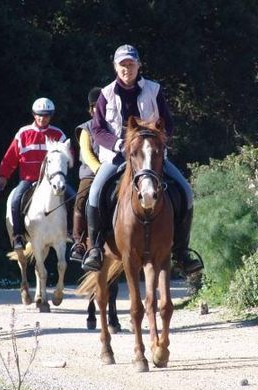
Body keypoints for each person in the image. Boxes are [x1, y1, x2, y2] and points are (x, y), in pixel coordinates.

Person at [81, 44, 203, 275]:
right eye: (122, 64)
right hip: (117, 156)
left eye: (131, 63)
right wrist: (118, 144)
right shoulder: (105, 94)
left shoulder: (154, 90)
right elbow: (97, 129)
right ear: (115, 67)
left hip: (149, 156)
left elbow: (168, 122)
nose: (127, 68)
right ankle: (95, 249)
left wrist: (157, 141)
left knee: (186, 191)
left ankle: (182, 251)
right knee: (95, 193)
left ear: (139, 65)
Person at [0, 97, 68, 250]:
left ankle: (71, 233)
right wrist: (3, 176)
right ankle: (18, 236)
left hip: (52, 180)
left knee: (74, 198)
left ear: (51, 116)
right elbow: (11, 157)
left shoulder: (58, 134)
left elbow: (68, 156)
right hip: (28, 179)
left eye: (46, 115)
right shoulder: (23, 133)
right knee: (15, 201)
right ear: (34, 115)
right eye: (39, 115)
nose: (42, 118)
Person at [69, 87, 102, 262]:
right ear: (91, 108)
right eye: (96, 106)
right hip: (91, 173)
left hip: (114, 170)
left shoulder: (117, 126)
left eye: (103, 105)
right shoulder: (85, 128)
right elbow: (87, 153)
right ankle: (79, 242)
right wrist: (98, 168)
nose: (100, 108)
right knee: (80, 201)